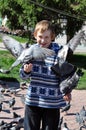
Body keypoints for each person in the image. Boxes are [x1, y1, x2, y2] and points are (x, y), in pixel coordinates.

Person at [19, 20, 71, 130]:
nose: (43, 40)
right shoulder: (31, 51)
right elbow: (22, 75)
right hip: (33, 100)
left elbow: (65, 74)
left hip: (52, 102)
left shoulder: (60, 52)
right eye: (40, 36)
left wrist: (67, 90)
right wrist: (27, 71)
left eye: (47, 37)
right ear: (35, 36)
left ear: (52, 37)